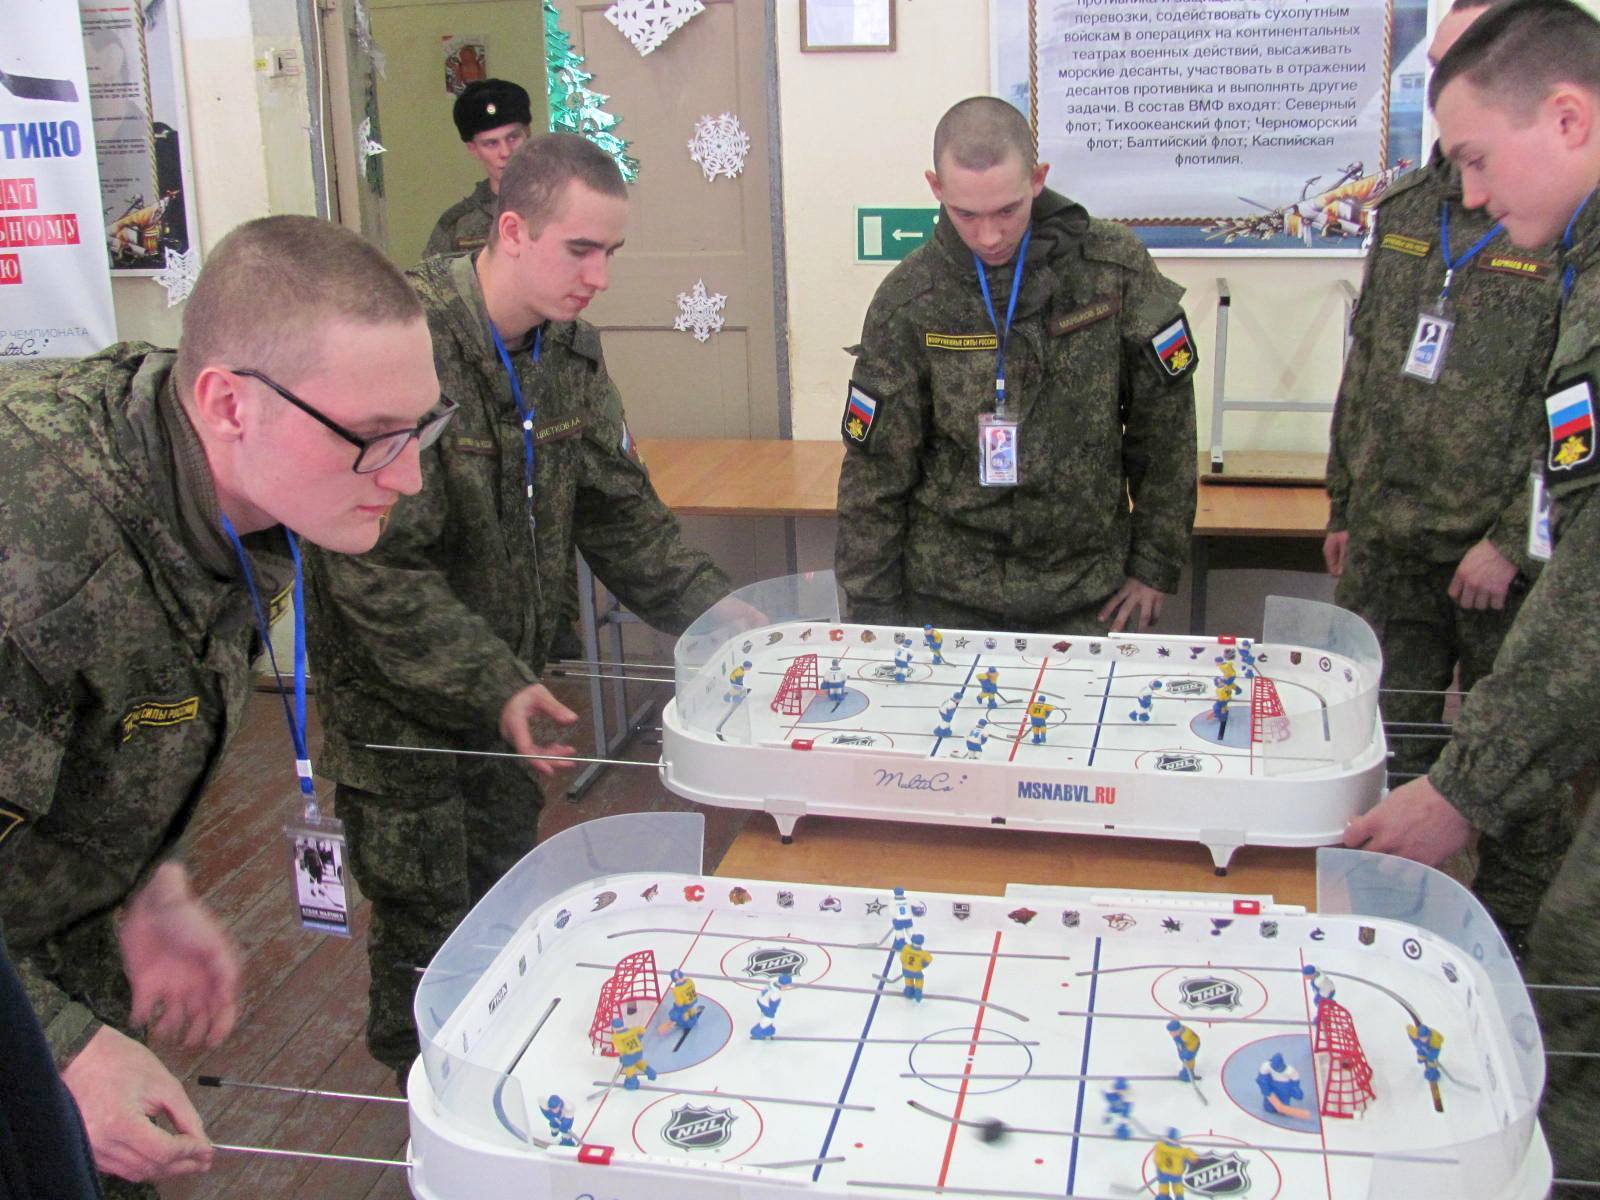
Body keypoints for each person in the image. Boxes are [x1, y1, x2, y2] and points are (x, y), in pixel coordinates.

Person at [0, 215, 442, 1198]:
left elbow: (120, 715)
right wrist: (65, 1048)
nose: (408, 477)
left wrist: (148, 883)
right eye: (372, 440)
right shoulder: (34, 553)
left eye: (421, 429)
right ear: (228, 403)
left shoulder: (225, 486)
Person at [302, 133, 732, 1089]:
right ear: (510, 229)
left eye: (612, 253)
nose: (600, 277)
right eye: (581, 249)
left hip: (512, 712)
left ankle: (490, 1104)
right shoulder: (403, 344)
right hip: (406, 720)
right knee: (424, 939)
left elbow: (623, 520)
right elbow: (373, 568)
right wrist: (497, 682)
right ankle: (429, 1119)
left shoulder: (570, 356)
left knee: (501, 920)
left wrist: (726, 622)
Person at [1337, 2, 1600, 1189]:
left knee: (1566, 949)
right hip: (1397, 533)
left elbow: (1586, 582)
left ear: (1566, 114)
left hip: (1516, 584)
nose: (1476, 194)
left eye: (1481, 156)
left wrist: (1467, 786)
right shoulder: (1530, 242)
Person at [1324, 0, 1568, 953]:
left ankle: (1510, 954)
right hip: (1392, 540)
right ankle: (1396, 943)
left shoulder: (1553, 215)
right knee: (1388, 753)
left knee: (1517, 783)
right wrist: (1346, 497)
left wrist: (1512, 537)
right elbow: (1370, 360)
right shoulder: (1406, 210)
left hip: (1502, 557)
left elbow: (1578, 414)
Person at [834, 96, 1197, 636]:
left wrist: (1155, 565)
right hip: (947, 601)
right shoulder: (909, 299)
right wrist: (875, 621)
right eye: (966, 214)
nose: (989, 236)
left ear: (1037, 178)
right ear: (936, 188)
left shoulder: (1112, 269)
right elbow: (876, 478)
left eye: (1007, 210)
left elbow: (1164, 430)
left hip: (1088, 596)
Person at [425, 78, 533, 258]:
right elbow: (429, 283)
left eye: (513, 138)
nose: (505, 152)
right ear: (473, 149)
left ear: (528, 134)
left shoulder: (561, 205)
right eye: (491, 144)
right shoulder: (455, 225)